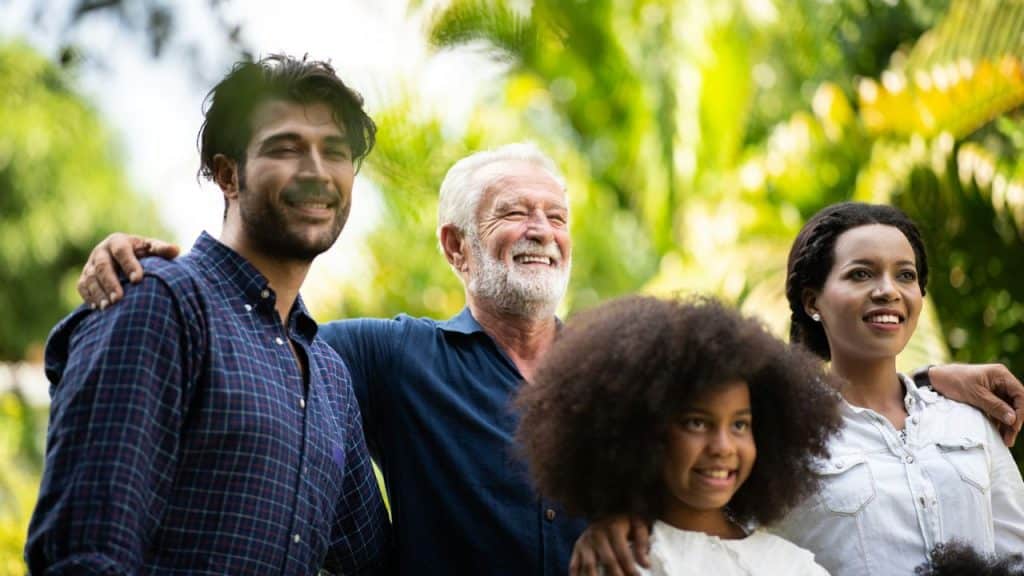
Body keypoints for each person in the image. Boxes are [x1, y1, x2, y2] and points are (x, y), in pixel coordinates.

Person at [75, 156, 1024, 573]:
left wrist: (927, 383)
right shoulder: (380, 354)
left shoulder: (636, 368)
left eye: (556, 216)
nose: (541, 231)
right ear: (456, 246)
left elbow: (774, 408)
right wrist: (138, 274)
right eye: (513, 215)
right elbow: (257, 341)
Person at [25, 54, 391, 574]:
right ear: (228, 175)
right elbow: (82, 553)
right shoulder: (159, 302)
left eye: (335, 152)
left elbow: (377, 561)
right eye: (286, 148)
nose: (316, 172)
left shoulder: (329, 376)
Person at [772, 201, 1024, 574]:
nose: (888, 290)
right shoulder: (783, 439)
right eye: (861, 274)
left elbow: (1017, 552)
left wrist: (929, 378)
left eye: (905, 276)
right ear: (813, 302)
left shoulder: (969, 422)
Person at [515, 295, 838, 575]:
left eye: (739, 425)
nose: (723, 447)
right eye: (696, 423)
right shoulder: (620, 560)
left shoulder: (794, 566)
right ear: (641, 434)